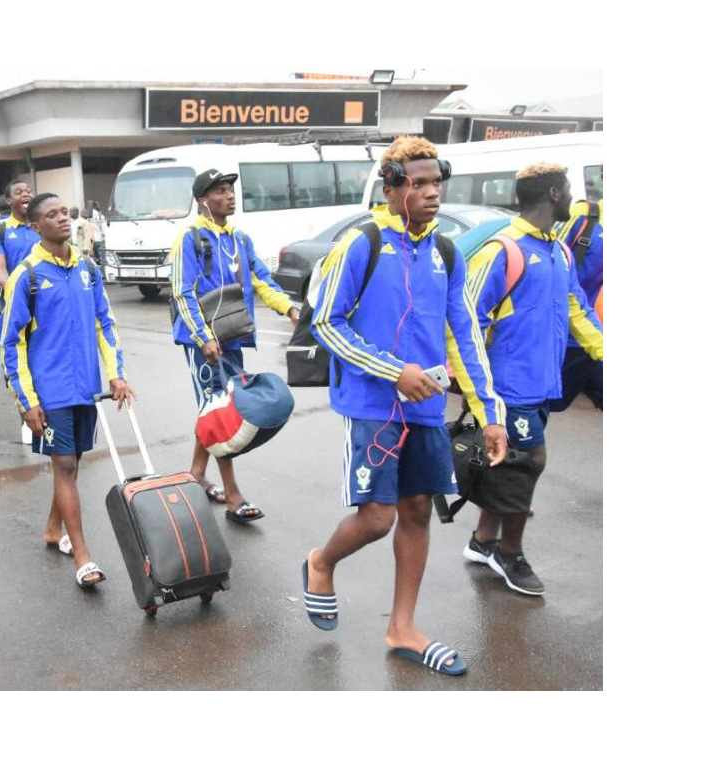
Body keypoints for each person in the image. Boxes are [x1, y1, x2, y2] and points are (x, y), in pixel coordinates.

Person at [303, 136, 507, 676]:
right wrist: (395, 371)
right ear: (393, 189)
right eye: (418, 184)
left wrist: (491, 414)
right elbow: (326, 321)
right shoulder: (362, 243)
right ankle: (321, 563)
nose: (431, 194)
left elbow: (466, 334)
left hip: (425, 404)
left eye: (437, 183)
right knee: (377, 517)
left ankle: (402, 628)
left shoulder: (445, 252)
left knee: (417, 511)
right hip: (372, 403)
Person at [460, 162, 603, 596]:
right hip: (507, 386)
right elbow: (466, 320)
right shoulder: (502, 250)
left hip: (542, 381)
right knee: (528, 463)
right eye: (567, 189)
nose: (574, 197)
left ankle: (483, 541)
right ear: (555, 196)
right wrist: (474, 387)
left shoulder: (558, 250)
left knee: (510, 466)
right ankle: (510, 553)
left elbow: (577, 307)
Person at [0, 193, 134, 588]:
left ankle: (52, 528)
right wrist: (27, 401)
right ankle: (82, 554)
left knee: (72, 458)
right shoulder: (28, 275)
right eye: (51, 215)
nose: (63, 218)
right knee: (67, 466)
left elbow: (104, 324)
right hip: (50, 391)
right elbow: (12, 343)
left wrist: (116, 374)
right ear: (36, 227)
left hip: (85, 388)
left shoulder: (87, 268)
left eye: (64, 212)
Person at [170, 168, 300, 523]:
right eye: (221, 191)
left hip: (233, 335)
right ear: (203, 200)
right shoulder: (190, 237)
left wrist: (289, 308)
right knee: (221, 411)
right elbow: (182, 292)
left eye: (231, 190)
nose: (230, 196)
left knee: (217, 408)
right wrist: (204, 337)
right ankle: (232, 494)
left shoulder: (239, 238)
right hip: (203, 342)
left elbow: (261, 279)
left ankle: (197, 471)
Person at [548, 198, 604, 411]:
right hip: (564, 337)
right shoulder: (583, 215)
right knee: (535, 409)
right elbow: (548, 256)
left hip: (595, 337)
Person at [0, 177, 42, 290]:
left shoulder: (43, 225)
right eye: (19, 192)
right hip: (16, 295)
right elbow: (0, 271)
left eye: (28, 191)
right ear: (8, 200)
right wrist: (17, 294)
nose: (26, 194)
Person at [85, 200, 106, 264]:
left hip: (91, 239)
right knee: (100, 256)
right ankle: (100, 266)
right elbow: (103, 227)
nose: (99, 206)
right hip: (98, 238)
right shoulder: (99, 215)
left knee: (93, 256)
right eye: (97, 205)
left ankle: (95, 265)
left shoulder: (87, 215)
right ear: (95, 206)